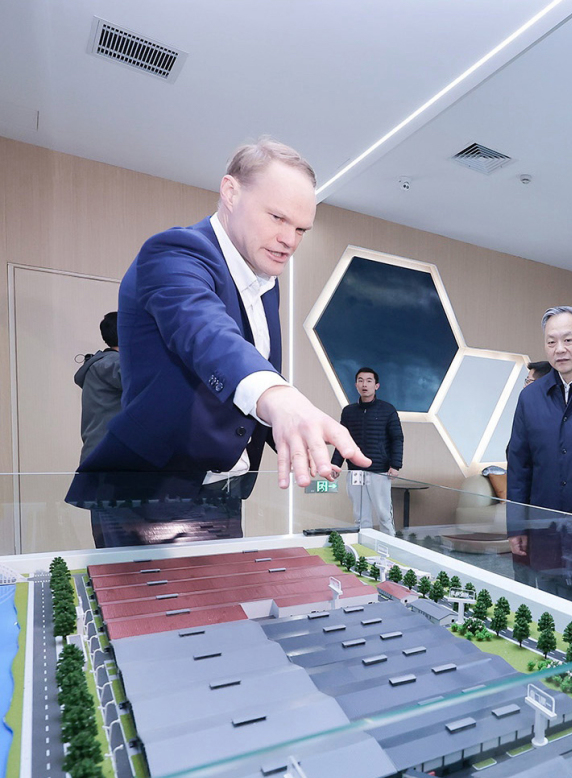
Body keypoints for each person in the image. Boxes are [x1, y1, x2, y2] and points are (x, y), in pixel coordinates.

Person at [68, 138, 369, 546]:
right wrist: (280, 397)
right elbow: (207, 336)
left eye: (301, 228)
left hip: (224, 494)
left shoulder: (267, 281)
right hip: (151, 496)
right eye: (277, 217)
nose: (290, 240)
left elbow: (240, 389)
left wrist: (300, 436)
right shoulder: (175, 252)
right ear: (230, 192)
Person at [507, 306, 572, 552]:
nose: (559, 349)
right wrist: (516, 525)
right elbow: (519, 467)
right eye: (551, 342)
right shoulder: (530, 397)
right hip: (543, 530)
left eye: (568, 340)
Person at [331, 367, 403, 536]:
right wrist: (335, 464)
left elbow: (397, 438)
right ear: (356, 385)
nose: (365, 384)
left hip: (379, 471)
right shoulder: (348, 412)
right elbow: (342, 441)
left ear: (376, 386)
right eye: (361, 380)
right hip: (355, 472)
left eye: (369, 381)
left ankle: (391, 546)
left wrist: (395, 465)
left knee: (384, 515)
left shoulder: (387, 410)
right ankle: (364, 547)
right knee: (360, 517)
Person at [74, 311, 122, 463]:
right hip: (111, 459)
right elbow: (148, 386)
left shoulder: (104, 364)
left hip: (101, 456)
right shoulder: (114, 364)